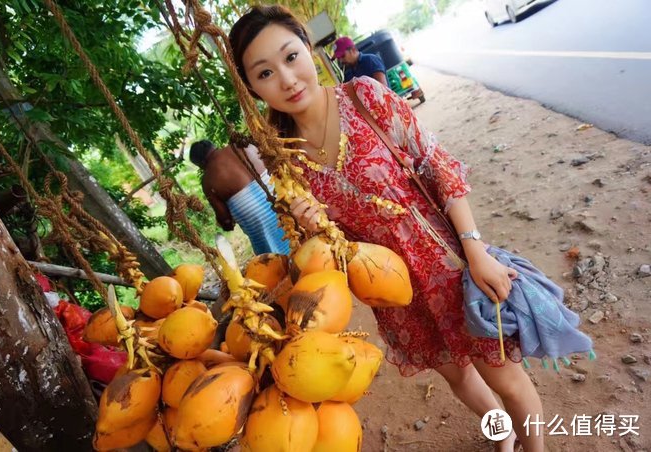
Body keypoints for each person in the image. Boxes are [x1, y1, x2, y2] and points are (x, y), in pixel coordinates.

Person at [229, 5, 544, 452]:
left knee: (505, 378)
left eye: (290, 57)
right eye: (264, 73)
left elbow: (439, 166)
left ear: (308, 46)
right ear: (253, 88)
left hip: (447, 266)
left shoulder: (364, 98)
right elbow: (325, 258)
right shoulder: (285, 162)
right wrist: (313, 229)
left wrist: (476, 251)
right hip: (393, 293)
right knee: (459, 377)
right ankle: (503, 432)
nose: (287, 79)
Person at [188, 140, 290, 255]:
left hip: (261, 227)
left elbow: (226, 221)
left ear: (201, 164)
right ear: (214, 146)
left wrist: (224, 223)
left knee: (277, 264)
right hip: (284, 202)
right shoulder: (244, 145)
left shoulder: (208, 180)